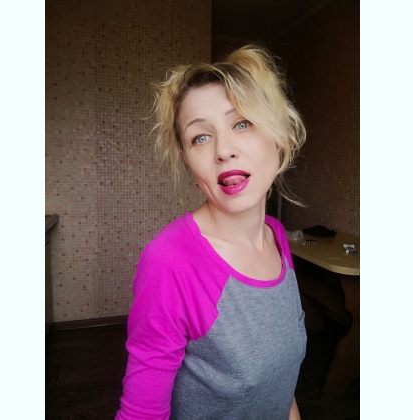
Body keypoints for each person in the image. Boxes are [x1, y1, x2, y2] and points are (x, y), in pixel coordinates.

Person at [116, 45, 307, 420]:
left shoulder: (275, 235)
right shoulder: (169, 262)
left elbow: (280, 387)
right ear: (188, 161)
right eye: (200, 137)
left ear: (279, 135)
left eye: (242, 123)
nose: (223, 151)